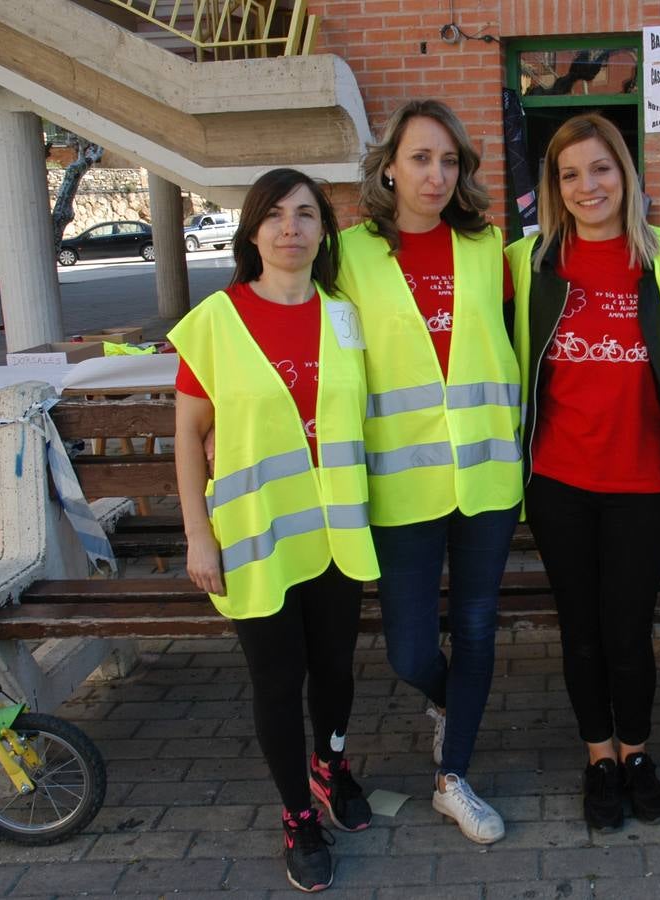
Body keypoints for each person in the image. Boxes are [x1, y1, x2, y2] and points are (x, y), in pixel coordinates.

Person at [505, 113, 660, 831]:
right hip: (558, 479)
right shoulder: (526, 261)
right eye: (570, 175)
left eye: (600, 169)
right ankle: (597, 758)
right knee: (581, 630)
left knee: (628, 628)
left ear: (625, 174)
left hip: (640, 479)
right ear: (553, 187)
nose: (587, 186)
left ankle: (635, 753)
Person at [171, 168, 378, 893]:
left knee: (335, 674)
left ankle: (331, 765)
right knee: (276, 679)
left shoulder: (345, 315)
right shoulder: (216, 320)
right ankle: (296, 813)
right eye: (275, 215)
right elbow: (188, 436)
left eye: (306, 215)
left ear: (324, 232)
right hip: (257, 537)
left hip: (335, 536)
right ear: (252, 230)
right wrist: (198, 537)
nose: (290, 228)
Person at [335, 99, 521, 845]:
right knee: (411, 649)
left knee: (476, 627)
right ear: (388, 166)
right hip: (400, 482)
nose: (436, 174)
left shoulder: (487, 247)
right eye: (420, 158)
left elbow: (509, 348)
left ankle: (454, 777)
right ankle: (450, 702)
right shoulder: (346, 255)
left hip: (485, 477)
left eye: (449, 161)